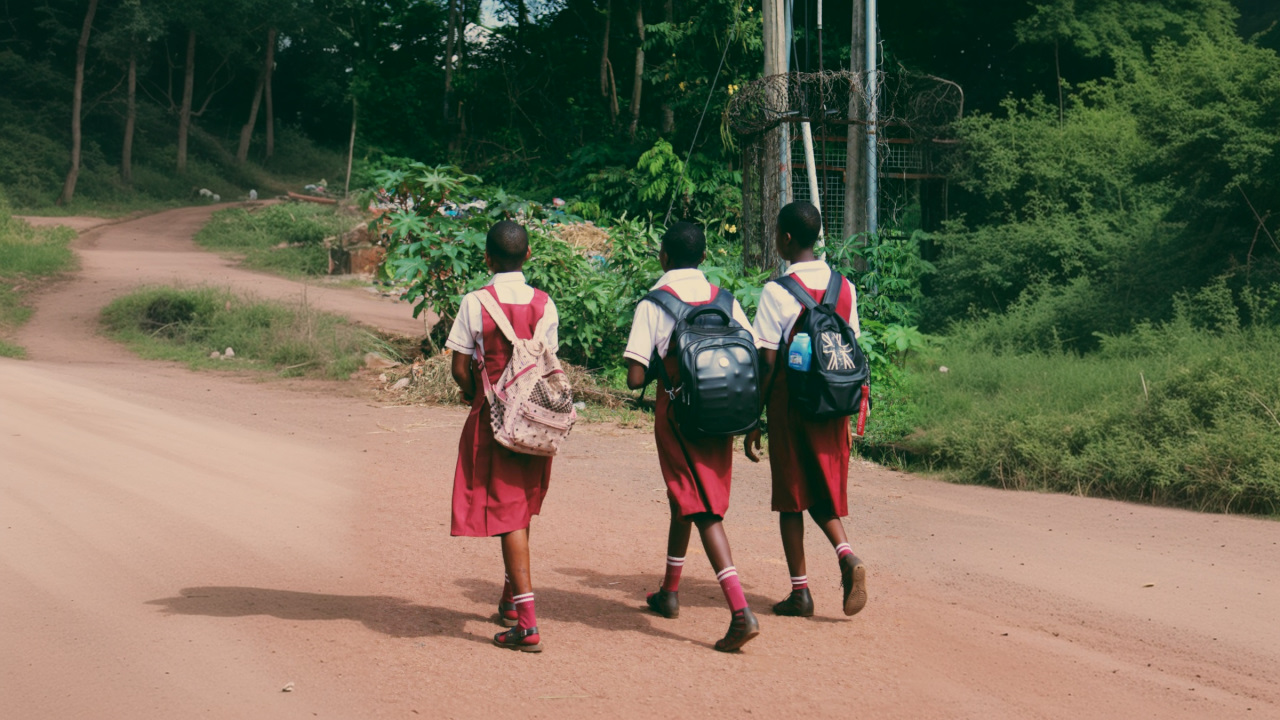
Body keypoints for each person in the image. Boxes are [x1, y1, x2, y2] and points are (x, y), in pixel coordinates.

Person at [623, 221, 761, 652]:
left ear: (663, 257)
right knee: (684, 496)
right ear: (704, 258)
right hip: (725, 413)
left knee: (700, 507)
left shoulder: (654, 303)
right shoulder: (725, 299)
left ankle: (740, 612)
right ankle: (669, 591)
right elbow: (751, 357)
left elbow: (634, 377)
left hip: (679, 414)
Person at [745, 201, 868, 618]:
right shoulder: (845, 287)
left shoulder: (776, 291)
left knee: (792, 496)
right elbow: (850, 345)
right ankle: (846, 553)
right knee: (824, 486)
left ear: (786, 239)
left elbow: (766, 362)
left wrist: (754, 418)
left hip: (791, 402)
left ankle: (801, 592)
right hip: (834, 401)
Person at [446, 220, 558, 652]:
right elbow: (548, 361)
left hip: (493, 422)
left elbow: (458, 367)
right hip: (536, 421)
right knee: (520, 506)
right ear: (528, 256)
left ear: (487, 258)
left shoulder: (475, 302)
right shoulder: (546, 304)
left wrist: (478, 397)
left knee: (508, 514)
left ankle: (527, 625)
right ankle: (510, 602)